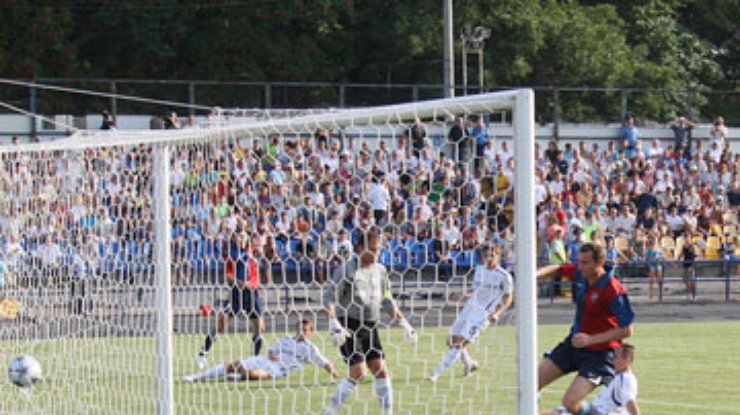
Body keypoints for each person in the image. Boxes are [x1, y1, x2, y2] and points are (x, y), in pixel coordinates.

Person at [322, 230, 417, 415]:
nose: (376, 253)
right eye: (372, 249)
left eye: (379, 249)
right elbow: (328, 299)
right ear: (359, 248)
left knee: (381, 371)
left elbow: (387, 299)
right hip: (348, 325)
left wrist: (405, 324)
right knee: (358, 372)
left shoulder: (380, 271)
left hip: (371, 325)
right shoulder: (346, 270)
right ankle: (330, 412)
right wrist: (334, 324)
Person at [536, 242, 635, 415]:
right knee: (531, 382)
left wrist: (590, 339)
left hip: (600, 355)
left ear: (600, 262)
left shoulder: (613, 289)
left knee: (570, 403)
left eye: (585, 263)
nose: (579, 267)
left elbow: (626, 330)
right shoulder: (582, 275)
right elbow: (559, 268)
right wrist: (534, 275)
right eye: (579, 262)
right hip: (573, 346)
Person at [427, 242, 513, 381]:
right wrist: (462, 295)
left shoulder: (504, 276)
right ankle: (470, 363)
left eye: (492, 254)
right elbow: (475, 290)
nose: (489, 257)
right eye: (486, 254)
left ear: (498, 255)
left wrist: (497, 313)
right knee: (451, 341)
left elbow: (508, 299)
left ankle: (436, 373)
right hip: (470, 307)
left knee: (460, 343)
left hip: (484, 314)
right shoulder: (479, 269)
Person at [184, 319, 340, 382]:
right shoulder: (286, 339)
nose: (302, 331)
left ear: (310, 332)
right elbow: (271, 350)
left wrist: (336, 375)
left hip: (278, 370)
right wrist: (272, 354)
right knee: (233, 365)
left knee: (251, 373)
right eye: (300, 328)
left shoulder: (310, 349)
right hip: (265, 361)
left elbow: (325, 362)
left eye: (305, 330)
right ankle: (198, 377)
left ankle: (238, 376)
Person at [196, 232, 265, 368]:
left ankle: (254, 361)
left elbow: (255, 274)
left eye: (243, 236)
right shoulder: (231, 256)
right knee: (221, 324)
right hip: (236, 294)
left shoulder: (252, 255)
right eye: (238, 236)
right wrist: (241, 283)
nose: (241, 238)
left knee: (260, 327)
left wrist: (250, 283)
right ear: (234, 239)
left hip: (252, 294)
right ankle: (202, 354)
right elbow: (228, 277)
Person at [540, 343, 640, 415]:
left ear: (627, 360)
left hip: (600, 412)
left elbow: (630, 400)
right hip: (595, 410)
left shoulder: (626, 379)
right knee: (561, 410)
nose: (612, 360)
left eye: (615, 357)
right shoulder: (616, 375)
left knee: (566, 408)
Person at [677, 236, 698, 302]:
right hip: (685, 265)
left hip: (690, 265)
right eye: (686, 238)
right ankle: (689, 294)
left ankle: (693, 295)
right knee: (686, 281)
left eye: (688, 238)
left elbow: (694, 255)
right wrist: (677, 260)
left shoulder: (692, 246)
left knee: (691, 281)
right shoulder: (684, 246)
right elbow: (681, 254)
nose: (686, 239)